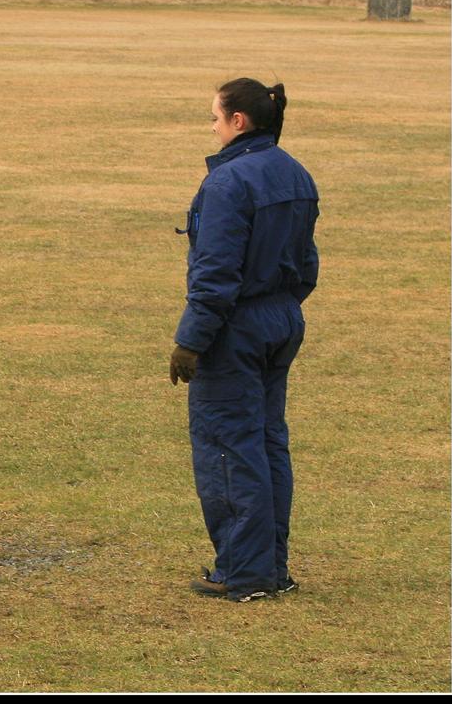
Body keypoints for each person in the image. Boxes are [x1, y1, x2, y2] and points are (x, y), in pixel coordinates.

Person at [169, 77, 319, 602]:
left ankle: (244, 572)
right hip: (280, 320)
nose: (212, 127)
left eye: (215, 117)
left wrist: (191, 341)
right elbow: (306, 264)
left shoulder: (228, 183)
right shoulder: (295, 173)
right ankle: (271, 567)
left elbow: (215, 275)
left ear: (238, 121)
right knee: (266, 441)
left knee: (229, 447)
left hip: (235, 329)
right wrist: (280, 310)